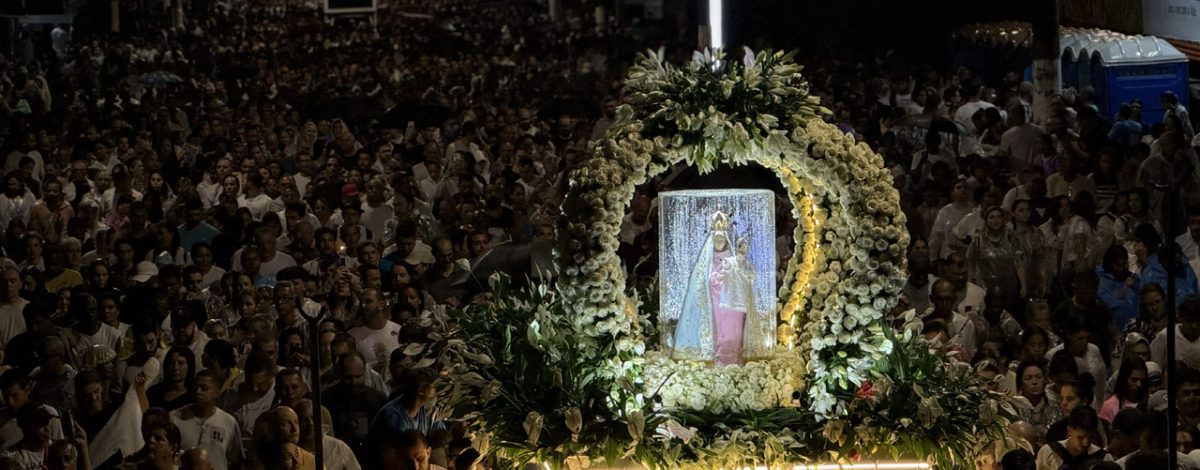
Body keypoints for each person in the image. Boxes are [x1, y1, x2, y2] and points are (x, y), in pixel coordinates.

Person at [674, 210, 756, 365]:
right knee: (718, 330)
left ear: (726, 240)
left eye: (721, 238)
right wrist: (717, 279)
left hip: (733, 305)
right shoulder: (706, 261)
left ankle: (734, 361)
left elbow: (747, 276)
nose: (719, 241)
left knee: (733, 331)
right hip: (715, 301)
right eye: (716, 238)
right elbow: (702, 281)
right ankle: (717, 360)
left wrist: (740, 268)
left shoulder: (733, 258)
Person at [171, 371, 242, 470]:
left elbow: (236, 461)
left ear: (216, 392)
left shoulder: (229, 422)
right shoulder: (175, 418)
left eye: (204, 388)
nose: (198, 392)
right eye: (196, 388)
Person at [1034, 405, 1111, 469]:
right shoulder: (1048, 452)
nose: (1085, 443)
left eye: (1090, 437)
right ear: (1069, 430)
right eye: (1080, 437)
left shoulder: (1104, 458)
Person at [1150, 295, 1200, 370]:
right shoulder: (1166, 336)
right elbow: (1155, 367)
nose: (1194, 326)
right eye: (1189, 321)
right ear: (1180, 318)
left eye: (1198, 321)